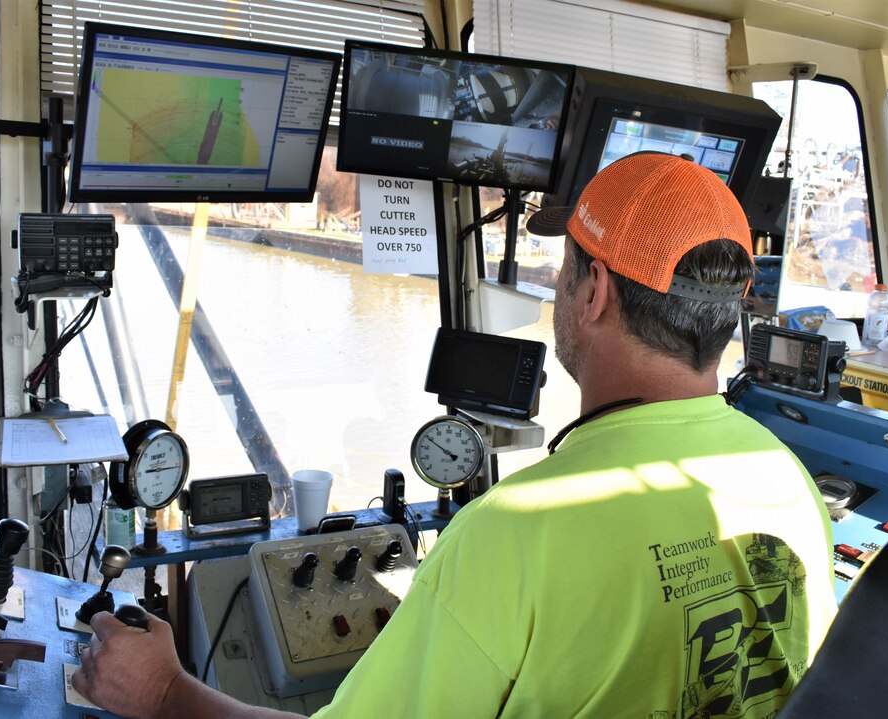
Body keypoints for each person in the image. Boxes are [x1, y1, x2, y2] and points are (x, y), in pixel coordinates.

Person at [73, 152, 838, 718]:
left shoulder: (518, 534)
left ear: (595, 290)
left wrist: (166, 689)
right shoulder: (790, 486)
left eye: (567, 262)